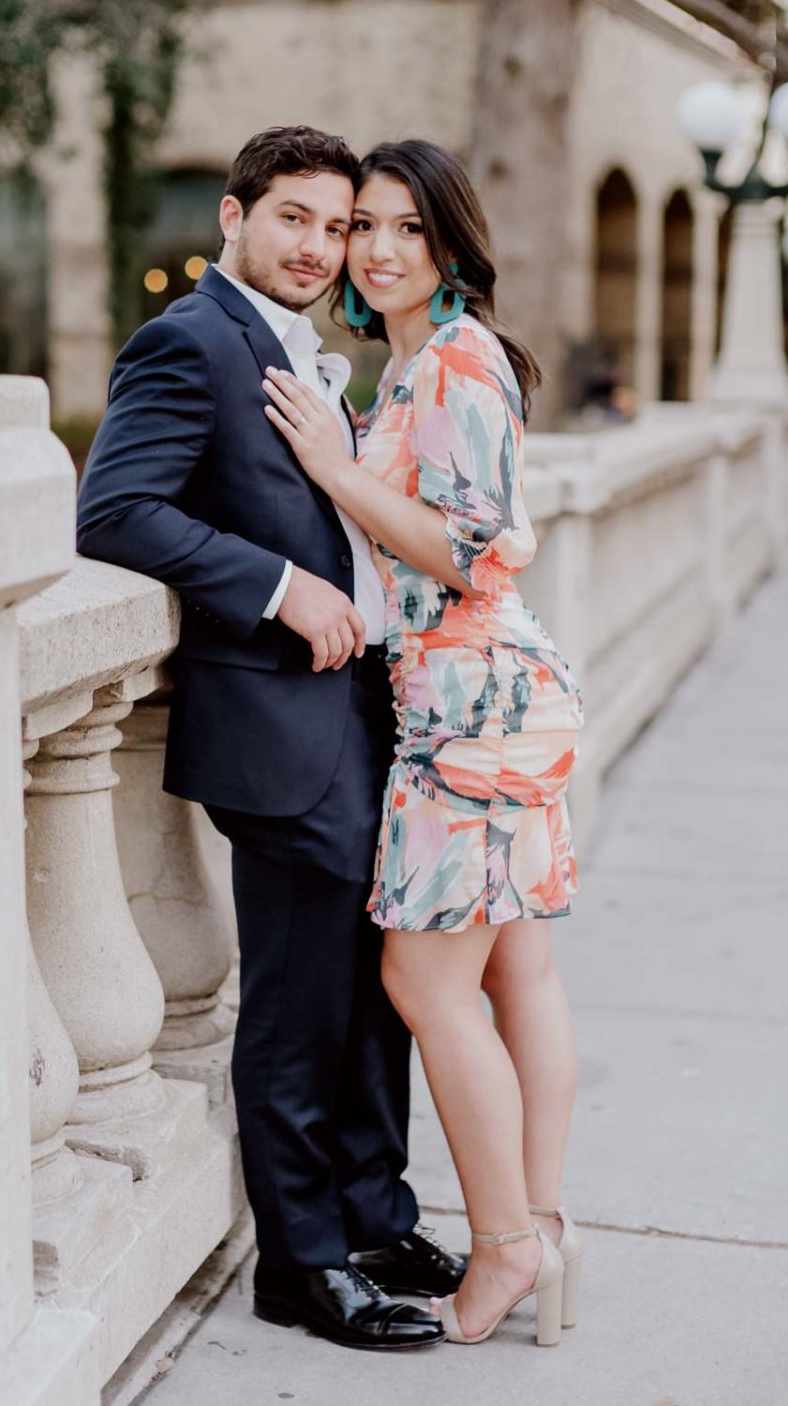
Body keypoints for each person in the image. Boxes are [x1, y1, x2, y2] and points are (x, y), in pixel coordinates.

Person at [76, 126, 465, 1352]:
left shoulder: (306, 350)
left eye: (338, 224)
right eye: (292, 217)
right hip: (274, 722)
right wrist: (274, 584)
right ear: (234, 219)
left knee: (372, 987)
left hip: (352, 712)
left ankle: (372, 1211)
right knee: (297, 1002)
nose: (319, 245)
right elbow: (115, 509)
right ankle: (301, 1263)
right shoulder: (187, 341)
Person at [262, 138, 585, 1347]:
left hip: (471, 702)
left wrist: (333, 470)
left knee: (423, 979)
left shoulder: (454, 359)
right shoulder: (413, 364)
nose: (381, 249)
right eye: (366, 228)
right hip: (490, 694)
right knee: (515, 975)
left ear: (448, 242)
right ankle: (542, 1226)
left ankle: (504, 1247)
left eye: (408, 228)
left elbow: (464, 548)